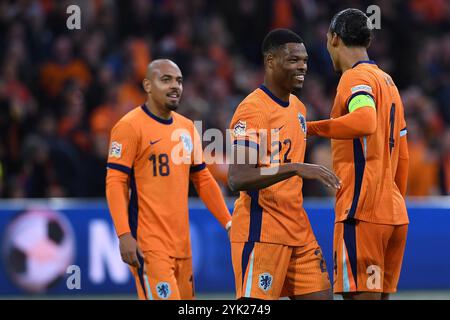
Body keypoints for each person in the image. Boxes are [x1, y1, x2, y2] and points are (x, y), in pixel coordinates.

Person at [227, 28, 341, 300]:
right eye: (293, 60)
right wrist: (295, 167)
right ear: (270, 62)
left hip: (298, 229)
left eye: (304, 60)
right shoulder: (253, 109)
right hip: (262, 232)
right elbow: (238, 177)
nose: (302, 66)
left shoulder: (299, 109)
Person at [105, 59, 232, 300]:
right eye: (166, 80)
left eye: (179, 81)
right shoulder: (129, 127)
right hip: (148, 245)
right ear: (148, 85)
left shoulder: (187, 128)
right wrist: (123, 235)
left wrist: (228, 222)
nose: (175, 86)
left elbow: (203, 179)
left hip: (182, 246)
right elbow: (115, 182)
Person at [307, 9, 409, 300]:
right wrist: (391, 205)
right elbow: (403, 157)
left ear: (333, 38)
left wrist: (310, 128)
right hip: (392, 216)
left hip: (362, 213)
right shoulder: (388, 82)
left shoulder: (355, 79)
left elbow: (365, 120)